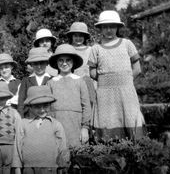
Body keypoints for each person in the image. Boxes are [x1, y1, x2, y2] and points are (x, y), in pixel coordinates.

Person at [88, 10, 145, 141]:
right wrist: (107, 80)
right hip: (105, 94)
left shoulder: (127, 44)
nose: (109, 30)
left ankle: (135, 153)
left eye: (112, 26)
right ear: (100, 28)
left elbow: (137, 69)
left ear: (117, 27)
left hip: (126, 91)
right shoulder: (95, 48)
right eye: (105, 26)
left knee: (130, 118)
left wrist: (125, 81)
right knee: (107, 120)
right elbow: (92, 72)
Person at [12, 86, 70, 174]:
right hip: (28, 169)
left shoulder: (55, 124)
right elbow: (17, 148)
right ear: (30, 107)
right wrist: (17, 169)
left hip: (50, 168)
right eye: (37, 107)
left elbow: (63, 148)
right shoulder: (23, 123)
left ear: (50, 105)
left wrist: (63, 167)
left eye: (45, 106)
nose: (42, 110)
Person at [47, 44, 91, 147]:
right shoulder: (51, 83)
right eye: (61, 60)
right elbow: (47, 108)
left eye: (68, 60)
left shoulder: (80, 81)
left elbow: (86, 106)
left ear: (73, 62)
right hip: (57, 125)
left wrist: (85, 128)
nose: (64, 63)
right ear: (56, 62)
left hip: (76, 125)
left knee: (78, 157)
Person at [66, 22, 97, 107]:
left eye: (81, 36)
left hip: (89, 85)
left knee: (89, 108)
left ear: (85, 37)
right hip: (71, 84)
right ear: (71, 36)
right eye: (75, 35)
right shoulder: (67, 49)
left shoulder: (91, 50)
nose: (78, 38)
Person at [17, 47, 52, 117]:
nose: (39, 66)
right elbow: (21, 102)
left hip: (48, 117)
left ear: (47, 63)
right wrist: (21, 119)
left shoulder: (52, 79)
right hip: (30, 117)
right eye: (35, 64)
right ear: (31, 64)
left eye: (42, 63)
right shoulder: (26, 80)